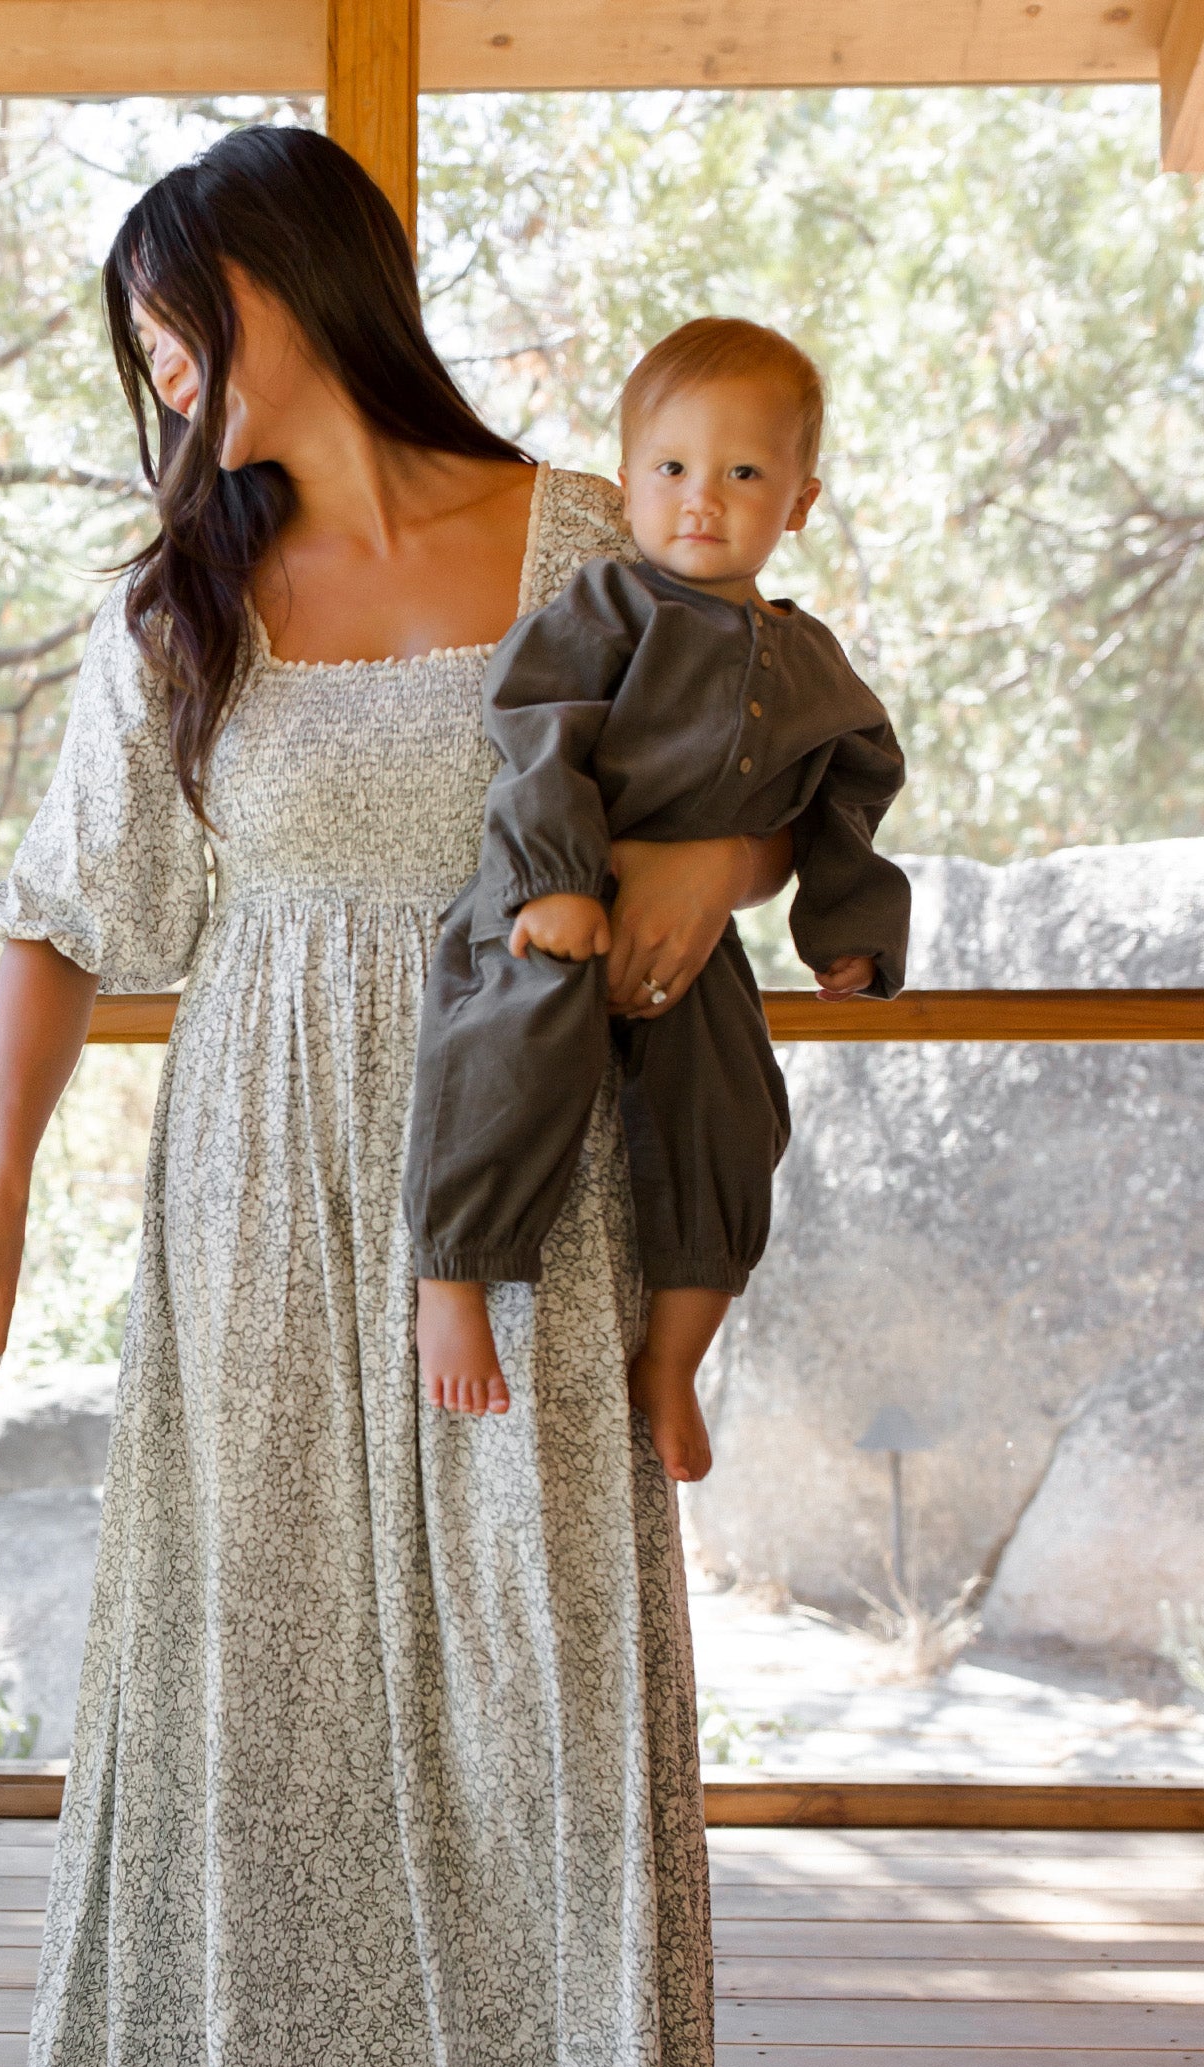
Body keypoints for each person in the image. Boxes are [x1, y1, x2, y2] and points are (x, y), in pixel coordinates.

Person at [0, 127, 753, 2067]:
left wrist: (686, 885)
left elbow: (725, 758)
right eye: (141, 342)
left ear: (298, 283)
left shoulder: (580, 531)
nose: (160, 372)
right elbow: (62, 908)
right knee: (311, 1679)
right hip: (268, 1198)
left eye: (183, 317)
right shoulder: (179, 603)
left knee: (522, 1653)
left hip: (527, 1179)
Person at [407, 317, 909, 1480]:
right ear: (626, 483)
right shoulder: (605, 607)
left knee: (732, 1116)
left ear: (798, 501)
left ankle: (672, 1358)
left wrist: (849, 933)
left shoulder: (812, 663)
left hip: (695, 945)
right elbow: (533, 733)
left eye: (743, 473)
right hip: (551, 907)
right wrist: (554, 881)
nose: (701, 498)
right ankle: (450, 1278)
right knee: (509, 1053)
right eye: (671, 468)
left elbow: (850, 795)